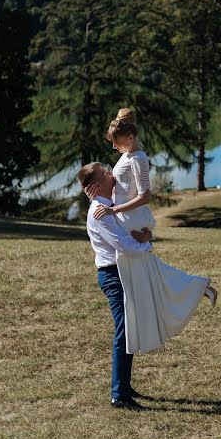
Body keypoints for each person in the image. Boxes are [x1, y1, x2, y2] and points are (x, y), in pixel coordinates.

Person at [87, 108, 217, 355]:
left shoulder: (139, 159)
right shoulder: (125, 156)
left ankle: (196, 289)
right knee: (150, 272)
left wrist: (115, 211)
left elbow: (144, 196)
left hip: (129, 217)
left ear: (128, 138)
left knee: (148, 272)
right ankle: (199, 288)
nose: (114, 149)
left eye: (116, 143)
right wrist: (98, 198)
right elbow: (115, 186)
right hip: (125, 217)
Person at [77, 161, 154, 411]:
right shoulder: (100, 211)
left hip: (122, 271)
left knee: (129, 328)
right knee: (124, 330)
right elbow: (124, 245)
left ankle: (124, 386)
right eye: (107, 172)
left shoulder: (109, 207)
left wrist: (146, 235)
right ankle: (119, 395)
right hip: (112, 274)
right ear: (99, 184)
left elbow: (132, 232)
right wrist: (147, 247)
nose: (113, 173)